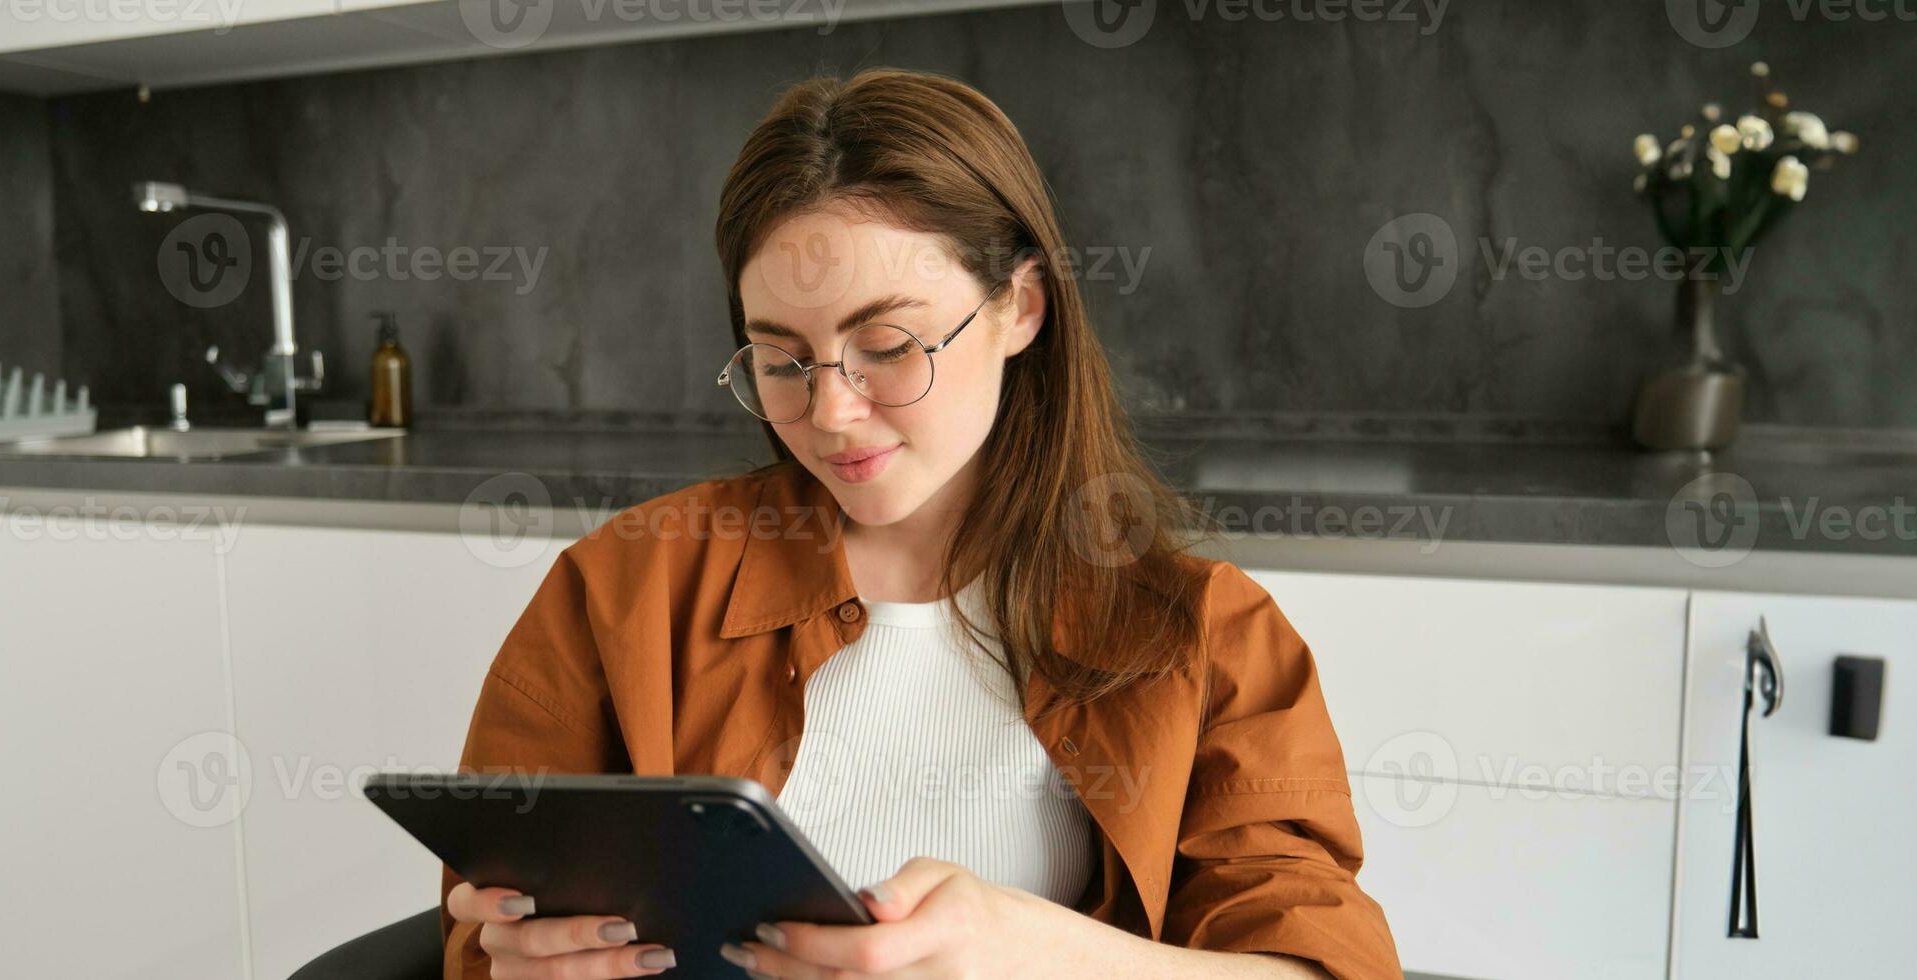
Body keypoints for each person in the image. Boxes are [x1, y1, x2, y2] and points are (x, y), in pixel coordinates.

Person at [439, 67, 1398, 980]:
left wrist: (1037, 952)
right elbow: (479, 934)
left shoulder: (1204, 637)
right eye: (781, 360)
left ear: (1018, 307)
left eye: (887, 347)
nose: (831, 412)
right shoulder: (619, 590)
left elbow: (1317, 959)